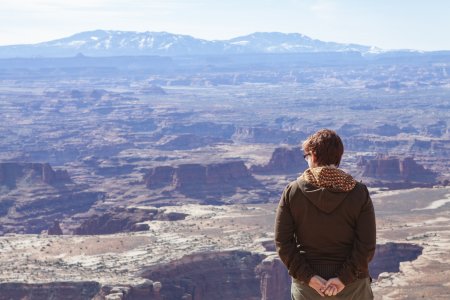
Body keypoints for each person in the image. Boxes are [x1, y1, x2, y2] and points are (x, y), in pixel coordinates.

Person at [274, 129, 376, 299]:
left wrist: (310, 278)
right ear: (339, 157)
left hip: (308, 289)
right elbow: (366, 246)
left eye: (306, 155)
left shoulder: (293, 192)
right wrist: (343, 279)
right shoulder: (359, 192)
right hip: (353, 287)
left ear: (313, 155)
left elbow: (283, 243)